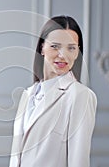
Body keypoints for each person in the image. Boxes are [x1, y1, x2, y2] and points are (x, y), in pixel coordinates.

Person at [9, 15, 97, 167]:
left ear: (77, 53)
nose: (62, 55)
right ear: (42, 47)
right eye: (55, 46)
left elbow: (79, 161)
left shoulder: (80, 96)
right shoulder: (27, 94)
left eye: (71, 48)